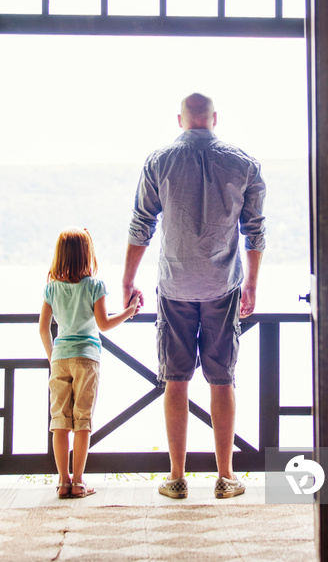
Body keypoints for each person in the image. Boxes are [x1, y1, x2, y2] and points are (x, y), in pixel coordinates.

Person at [122, 92, 266, 499]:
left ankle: (177, 477)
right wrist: (252, 285)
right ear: (214, 118)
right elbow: (255, 232)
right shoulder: (244, 163)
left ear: (181, 119)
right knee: (222, 379)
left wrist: (126, 281)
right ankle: (226, 476)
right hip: (223, 287)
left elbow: (141, 226)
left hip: (174, 286)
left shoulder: (158, 161)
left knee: (176, 379)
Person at [39, 227, 140, 499]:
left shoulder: (51, 288)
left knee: (59, 422)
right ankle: (79, 482)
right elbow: (104, 324)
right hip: (87, 358)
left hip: (60, 358)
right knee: (82, 421)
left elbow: (43, 329)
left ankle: (62, 481)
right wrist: (129, 312)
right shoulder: (95, 286)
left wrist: (54, 358)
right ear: (87, 255)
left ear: (60, 256)